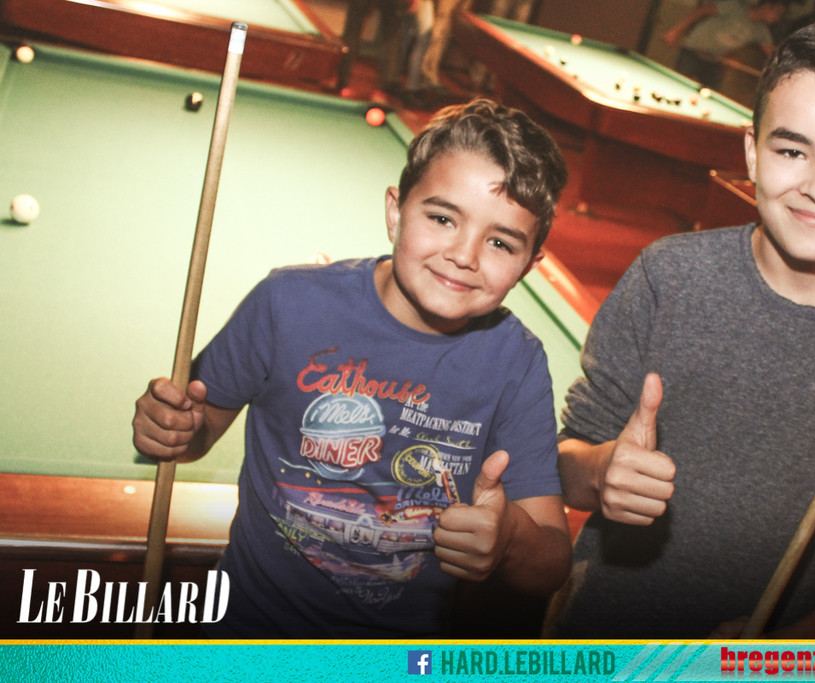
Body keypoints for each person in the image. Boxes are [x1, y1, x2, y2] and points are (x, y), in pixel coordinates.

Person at [545, 20, 815, 639]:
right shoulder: (668, 275)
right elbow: (568, 459)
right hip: (600, 633)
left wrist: (802, 639)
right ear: (752, 153)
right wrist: (600, 471)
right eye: (792, 151)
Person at [132, 99, 572, 638]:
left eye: (500, 242)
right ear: (395, 212)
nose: (465, 255)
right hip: (241, 632)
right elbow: (193, 433)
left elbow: (551, 564)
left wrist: (509, 540)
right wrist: (171, 427)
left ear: (529, 266)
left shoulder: (516, 363)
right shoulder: (285, 304)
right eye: (442, 218)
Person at [661, 0, 789, 90]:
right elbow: (702, 11)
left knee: (711, 94)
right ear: (767, 6)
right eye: (777, 12)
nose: (777, 18)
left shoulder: (761, 31)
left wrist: (784, 74)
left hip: (715, 60)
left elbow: (772, 54)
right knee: (677, 86)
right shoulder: (735, 7)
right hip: (693, 52)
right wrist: (676, 31)